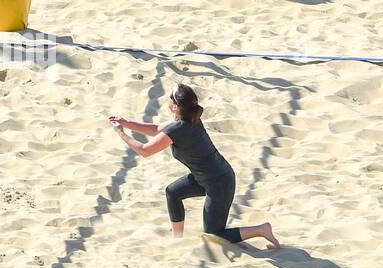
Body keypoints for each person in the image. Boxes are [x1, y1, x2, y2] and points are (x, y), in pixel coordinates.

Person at [109, 84, 279, 248]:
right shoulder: (186, 119)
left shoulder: (180, 127)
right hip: (205, 177)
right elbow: (155, 129)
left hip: (219, 182)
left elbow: (145, 150)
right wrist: (126, 122)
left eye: (170, 97)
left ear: (175, 106)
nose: (167, 98)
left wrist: (120, 132)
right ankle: (177, 238)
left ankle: (261, 229)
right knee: (173, 192)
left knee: (214, 235)